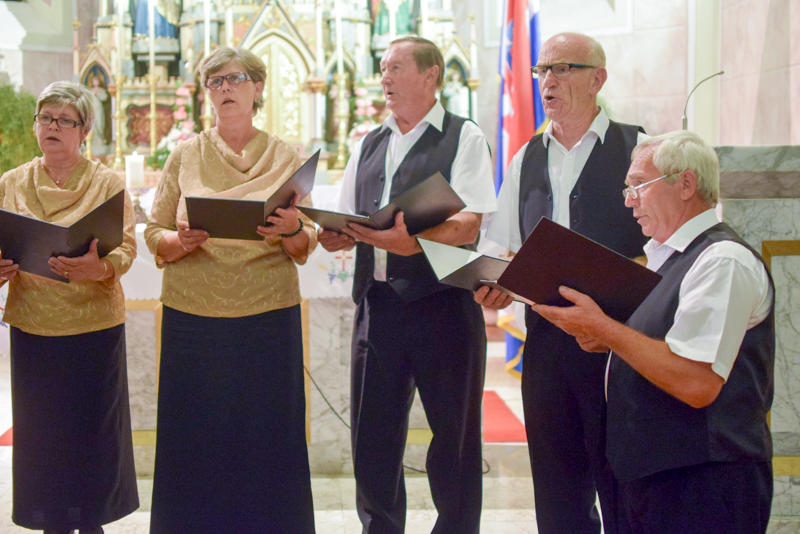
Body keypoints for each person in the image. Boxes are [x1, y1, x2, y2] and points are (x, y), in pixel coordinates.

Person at [533, 130, 774, 533]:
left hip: (702, 481)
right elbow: (661, 345)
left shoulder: (722, 261)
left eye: (639, 185)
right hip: (650, 473)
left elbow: (696, 381)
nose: (629, 201)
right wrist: (605, 340)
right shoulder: (665, 261)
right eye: (627, 189)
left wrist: (605, 328)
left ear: (686, 184)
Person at [317, 36, 497, 534]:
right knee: (373, 437)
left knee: (454, 438)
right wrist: (334, 234)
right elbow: (348, 215)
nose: (385, 78)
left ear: (431, 74)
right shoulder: (368, 143)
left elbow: (469, 223)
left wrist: (412, 244)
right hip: (378, 307)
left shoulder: (463, 136)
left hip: (443, 305)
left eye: (396, 68)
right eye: (382, 69)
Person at [475, 32, 647, 534]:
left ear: (598, 79)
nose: (547, 80)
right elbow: (504, 247)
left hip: (620, 342)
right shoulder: (525, 157)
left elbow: (666, 249)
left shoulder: (639, 149)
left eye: (562, 68)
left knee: (622, 478)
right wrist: (495, 284)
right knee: (556, 485)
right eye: (541, 70)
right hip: (547, 343)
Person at [144, 46, 317, 533]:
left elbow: (306, 242)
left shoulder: (285, 156)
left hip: (266, 315)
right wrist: (179, 241)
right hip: (194, 318)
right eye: (214, 81)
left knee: (266, 431)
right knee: (195, 432)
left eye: (234, 79)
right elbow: (155, 231)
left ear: (257, 87)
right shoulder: (185, 154)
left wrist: (290, 229)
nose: (224, 89)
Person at [0, 81, 138, 534]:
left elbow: (127, 249)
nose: (52, 127)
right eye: (45, 118)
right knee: (43, 436)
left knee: (93, 433)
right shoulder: (11, 182)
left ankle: (93, 521)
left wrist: (100, 269)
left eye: (64, 120)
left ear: (85, 130)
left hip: (94, 327)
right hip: (34, 327)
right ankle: (51, 522)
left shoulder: (107, 183)